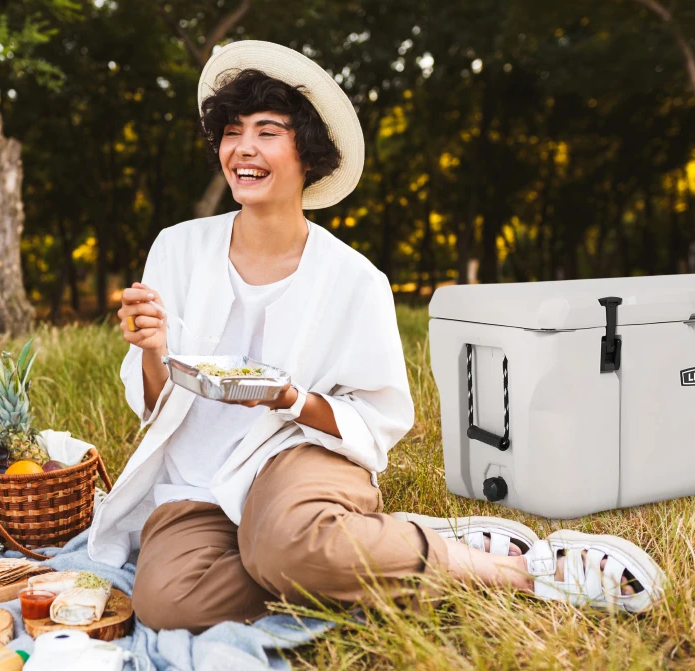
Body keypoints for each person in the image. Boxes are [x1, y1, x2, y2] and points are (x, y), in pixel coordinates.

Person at [86, 40, 665, 632]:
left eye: (268, 131)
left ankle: (515, 569)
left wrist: (290, 398)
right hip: (197, 481)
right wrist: (152, 351)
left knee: (284, 549)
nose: (244, 149)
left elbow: (383, 416)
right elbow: (154, 406)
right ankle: (368, 544)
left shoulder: (355, 279)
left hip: (294, 453)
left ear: (307, 152)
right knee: (169, 606)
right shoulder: (177, 248)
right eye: (232, 131)